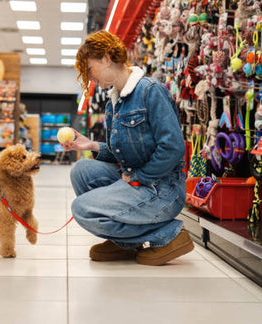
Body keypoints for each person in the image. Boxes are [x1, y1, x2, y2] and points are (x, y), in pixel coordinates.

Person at [61, 30, 194, 266]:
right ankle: (125, 243)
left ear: (106, 58)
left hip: (163, 187)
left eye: (90, 70)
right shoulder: (115, 101)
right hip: (136, 178)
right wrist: (92, 145)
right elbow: (122, 153)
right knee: (81, 171)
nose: (90, 79)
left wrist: (140, 177)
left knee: (81, 209)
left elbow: (173, 148)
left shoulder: (150, 91)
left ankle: (168, 235)